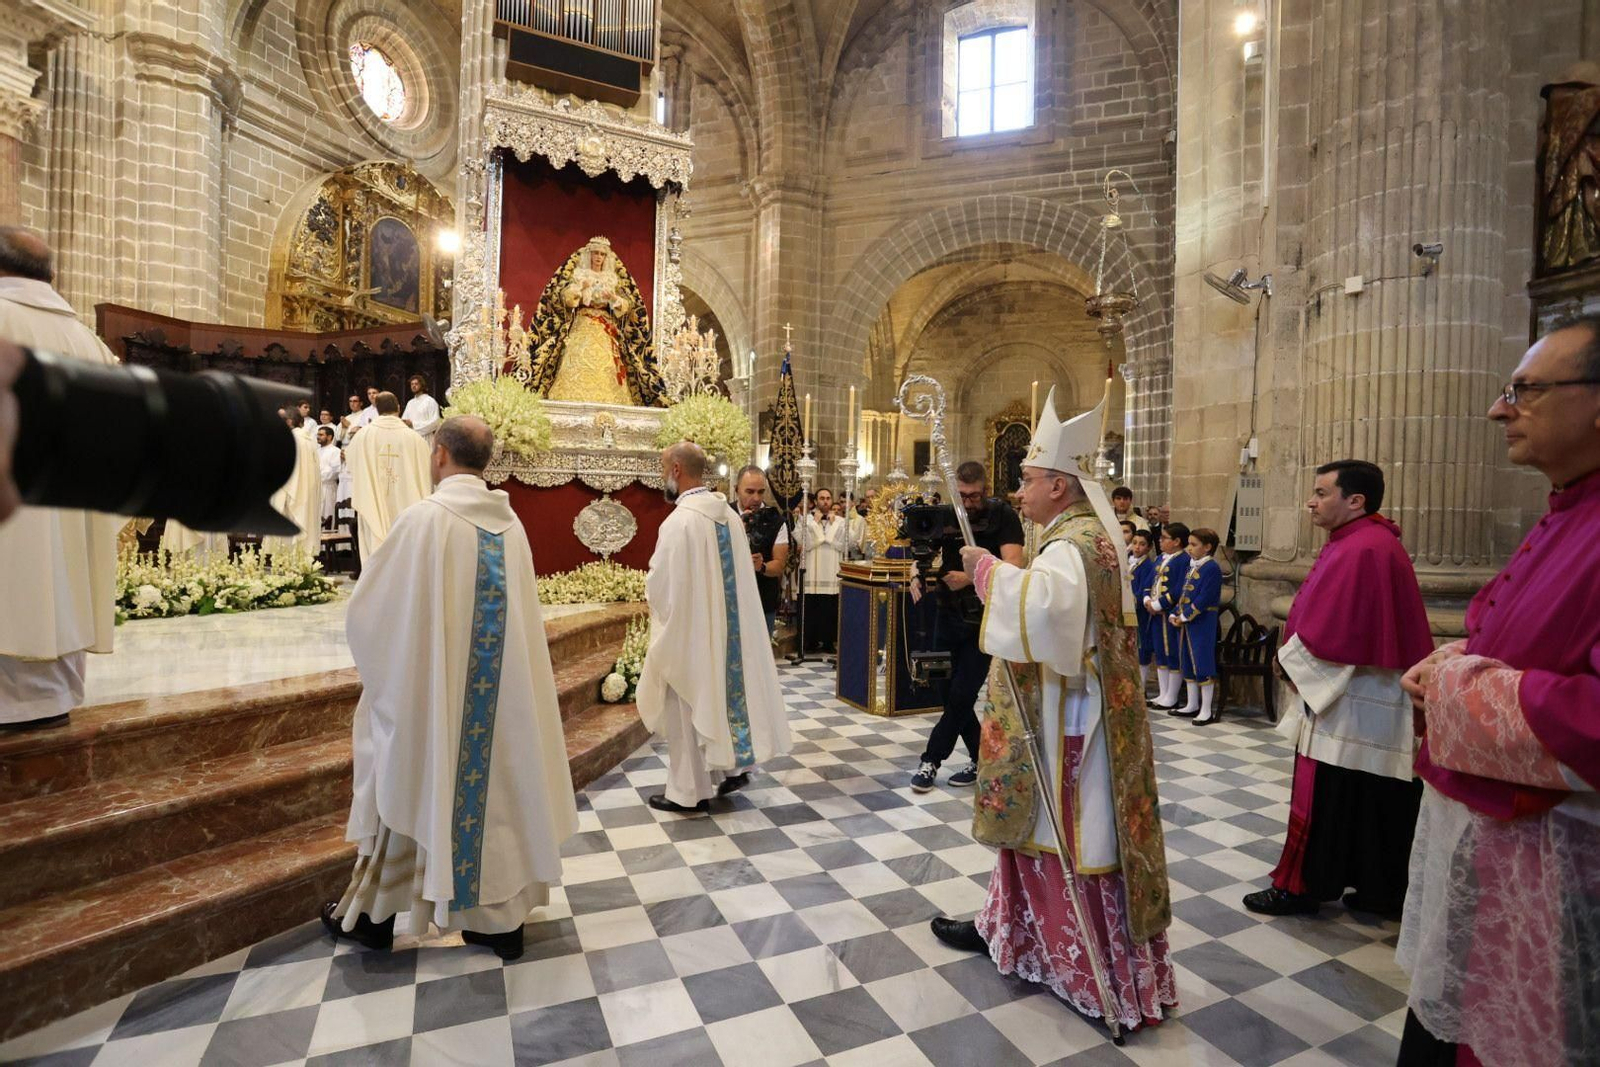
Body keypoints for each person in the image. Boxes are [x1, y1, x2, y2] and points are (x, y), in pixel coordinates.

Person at [930, 387, 1175, 1030]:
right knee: (1042, 830)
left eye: (1028, 480)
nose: (1019, 492)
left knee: (1063, 831)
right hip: (1084, 710)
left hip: (1068, 719)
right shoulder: (1090, 536)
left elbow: (1046, 617)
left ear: (1060, 486)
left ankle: (1071, 960)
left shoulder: (1072, 544)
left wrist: (986, 571)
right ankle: (1009, 929)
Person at [1395, 316, 1600, 1067]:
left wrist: (1454, 685)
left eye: (1524, 390)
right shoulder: (1570, 507)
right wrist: (1455, 657)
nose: (1497, 409)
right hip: (1499, 870)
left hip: (1560, 885)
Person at [322, 416, 575, 961]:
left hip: (434, 699)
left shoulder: (424, 521)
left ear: (439, 455)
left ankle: (375, 917)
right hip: (501, 707)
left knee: (414, 776)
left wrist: (396, 669)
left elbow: (369, 612)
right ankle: (500, 922)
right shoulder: (511, 526)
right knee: (500, 792)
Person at [1242, 460, 1433, 920]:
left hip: (1348, 696)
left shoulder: (1363, 547)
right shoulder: (1364, 541)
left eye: (1322, 493)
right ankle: (1380, 890)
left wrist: (1289, 661)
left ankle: (1302, 888)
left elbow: (1332, 632)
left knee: (1328, 794)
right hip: (1366, 695)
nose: (1311, 502)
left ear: (1355, 500)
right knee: (1371, 795)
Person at [0, 228, 119, 730]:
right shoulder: (88, 341)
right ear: (50, 274)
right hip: (72, 512)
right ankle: (50, 694)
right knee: (62, 578)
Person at [637, 442, 791, 814]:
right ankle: (730, 768)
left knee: (685, 705)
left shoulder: (679, 522)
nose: (662, 475)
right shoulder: (728, 517)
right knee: (722, 699)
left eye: (663, 467)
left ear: (676, 469)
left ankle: (687, 792)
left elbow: (661, 585)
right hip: (728, 634)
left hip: (692, 633)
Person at [909, 461, 1025, 793]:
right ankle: (978, 757)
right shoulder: (947, 514)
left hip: (983, 618)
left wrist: (973, 578)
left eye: (974, 496)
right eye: (961, 496)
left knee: (963, 692)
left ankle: (931, 760)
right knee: (947, 693)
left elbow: (1014, 565)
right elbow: (923, 550)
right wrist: (916, 572)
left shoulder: (1003, 515)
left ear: (985, 490)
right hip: (946, 613)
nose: (968, 502)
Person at [345, 391, 431, 564]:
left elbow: (351, 465)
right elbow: (426, 472)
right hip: (408, 505)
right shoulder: (415, 438)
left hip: (373, 503)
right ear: (398, 408)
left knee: (375, 543)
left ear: (377, 409)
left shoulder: (363, 435)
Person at [1170, 528, 1223, 725]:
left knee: (1202, 662)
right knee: (1187, 661)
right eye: (1189, 544)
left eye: (1194, 544)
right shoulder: (1193, 566)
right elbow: (1184, 595)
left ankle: (1206, 709)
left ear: (1207, 547)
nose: (1189, 548)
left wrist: (1185, 616)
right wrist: (1175, 613)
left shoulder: (1211, 568)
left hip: (1202, 622)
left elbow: (1204, 598)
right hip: (1187, 622)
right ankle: (1192, 704)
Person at [733, 465, 789, 635]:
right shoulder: (725, 515)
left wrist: (762, 566)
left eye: (761, 492)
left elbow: (779, 565)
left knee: (761, 651)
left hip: (762, 600)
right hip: (729, 599)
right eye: (750, 492)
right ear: (737, 490)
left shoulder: (776, 520)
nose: (756, 498)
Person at [1144, 521, 1191, 711]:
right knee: (1160, 653)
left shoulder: (1183, 560)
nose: (1160, 541)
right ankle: (1163, 693)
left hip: (1168, 613)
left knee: (1172, 653)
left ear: (1177, 541)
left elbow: (1179, 588)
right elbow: (1150, 580)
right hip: (1155, 614)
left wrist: (1160, 604)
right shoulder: (1160, 558)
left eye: (1164, 538)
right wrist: (1147, 599)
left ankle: (1172, 696)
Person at [263, 422, 324, 559]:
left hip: (289, 490)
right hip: (306, 492)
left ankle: (287, 562)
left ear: (289, 422)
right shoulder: (310, 441)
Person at [798, 488, 845, 653]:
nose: (825, 501)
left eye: (828, 498)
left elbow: (846, 544)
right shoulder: (806, 520)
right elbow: (804, 543)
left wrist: (833, 525)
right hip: (811, 571)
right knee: (812, 606)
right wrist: (814, 524)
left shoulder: (840, 521)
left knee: (830, 607)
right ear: (816, 501)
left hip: (832, 571)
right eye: (822, 498)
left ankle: (828, 642)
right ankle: (809, 641)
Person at [1129, 529, 1158, 690]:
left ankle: (1141, 686)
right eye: (1134, 543)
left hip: (1139, 612)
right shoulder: (1127, 561)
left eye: (1142, 544)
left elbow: (1144, 589)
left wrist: (1132, 600)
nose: (1137, 547)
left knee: (1142, 648)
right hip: (1126, 611)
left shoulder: (1148, 566)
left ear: (1149, 547)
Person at [402, 374, 442, 445]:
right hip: (411, 439)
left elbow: (435, 422)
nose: (414, 386)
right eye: (412, 384)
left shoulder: (430, 401)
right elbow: (404, 421)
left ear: (422, 385)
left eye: (416, 384)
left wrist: (413, 424)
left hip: (425, 439)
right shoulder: (410, 403)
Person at [316, 426, 343, 528]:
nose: (318, 437)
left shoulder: (335, 451)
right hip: (317, 487)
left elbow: (336, 470)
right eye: (318, 434)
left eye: (321, 435)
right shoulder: (317, 451)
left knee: (327, 514)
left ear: (329, 437)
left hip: (328, 487)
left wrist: (319, 476)